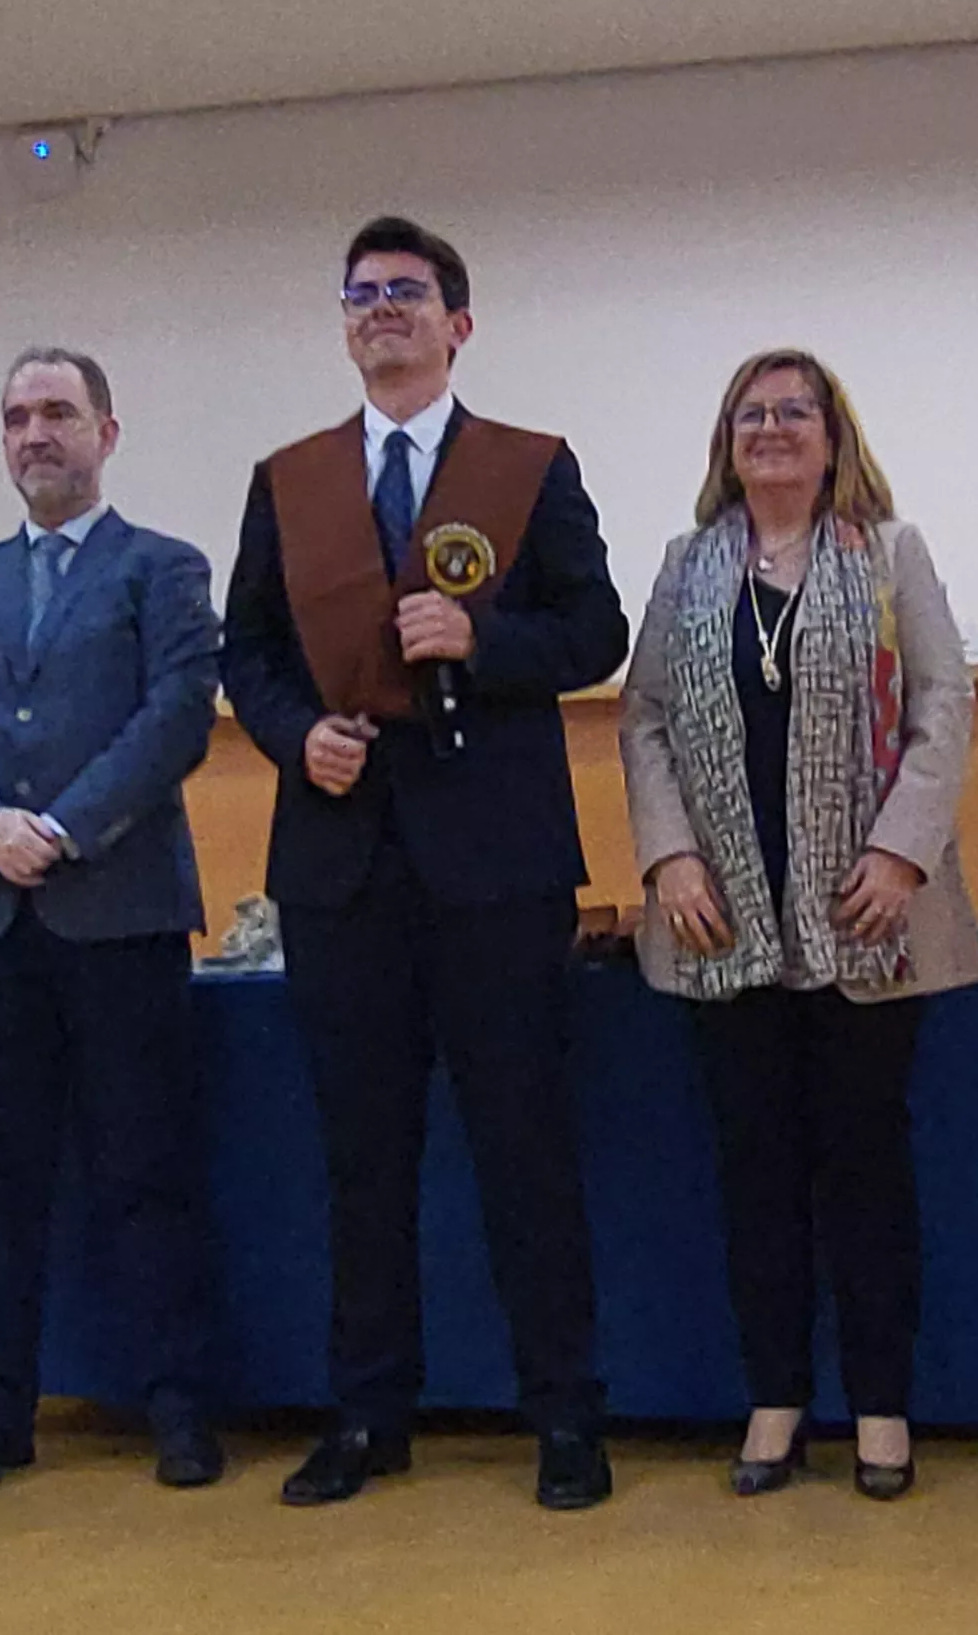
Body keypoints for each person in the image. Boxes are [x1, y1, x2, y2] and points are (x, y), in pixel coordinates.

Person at [221, 216, 628, 1510]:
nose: (382, 311)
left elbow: (595, 631)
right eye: (362, 295)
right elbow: (248, 654)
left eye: (408, 293)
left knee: (525, 1150)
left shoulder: (530, 465)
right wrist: (295, 738)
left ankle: (564, 1415)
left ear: (459, 322)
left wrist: (479, 635)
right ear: (344, 325)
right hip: (342, 860)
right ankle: (366, 1414)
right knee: (362, 1156)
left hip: (495, 860)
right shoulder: (289, 479)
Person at [618, 349, 978, 1501]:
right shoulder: (686, 567)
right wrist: (669, 852)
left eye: (794, 412)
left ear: (834, 437)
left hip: (868, 914)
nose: (770, 428)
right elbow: (644, 719)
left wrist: (900, 849)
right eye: (749, 414)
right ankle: (774, 1394)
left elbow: (943, 701)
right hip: (722, 919)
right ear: (725, 439)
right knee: (756, 1174)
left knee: (864, 1171)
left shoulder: (888, 554)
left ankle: (879, 1404)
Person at [0, 347, 226, 1496]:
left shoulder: (165, 568)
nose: (35, 433)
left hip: (120, 912)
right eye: (16, 417)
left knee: (149, 1167)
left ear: (106, 431)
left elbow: (177, 715)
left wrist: (65, 826)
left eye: (57, 413)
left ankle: (178, 1405)